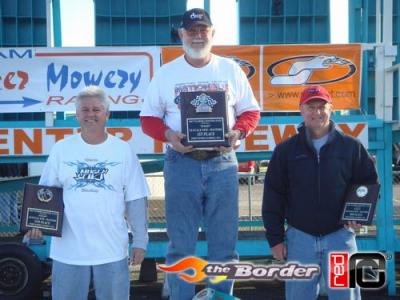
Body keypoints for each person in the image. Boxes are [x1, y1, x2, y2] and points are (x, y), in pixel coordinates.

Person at [140, 8, 260, 300]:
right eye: (190, 30)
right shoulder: (166, 73)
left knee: (224, 246)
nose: (197, 35)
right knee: (180, 245)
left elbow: (250, 110)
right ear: (181, 34)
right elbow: (148, 119)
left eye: (202, 30)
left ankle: (220, 296)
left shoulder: (230, 69)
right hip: (181, 163)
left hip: (222, 165)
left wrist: (238, 133)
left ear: (212, 33)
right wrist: (169, 136)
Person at [26, 86, 149, 300]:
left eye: (96, 109)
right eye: (84, 110)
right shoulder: (61, 149)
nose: (90, 114)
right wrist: (35, 224)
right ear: (77, 114)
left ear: (107, 114)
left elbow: (136, 198)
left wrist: (140, 240)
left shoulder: (123, 150)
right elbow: (44, 193)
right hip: (68, 251)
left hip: (111, 250)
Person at [262, 85, 378, 300]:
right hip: (299, 239)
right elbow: (273, 195)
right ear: (301, 110)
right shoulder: (286, 150)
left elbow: (368, 184)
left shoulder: (351, 146)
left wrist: (359, 216)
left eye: (322, 106)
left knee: (346, 296)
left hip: (340, 237)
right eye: (311, 107)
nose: (317, 112)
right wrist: (275, 238)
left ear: (331, 108)